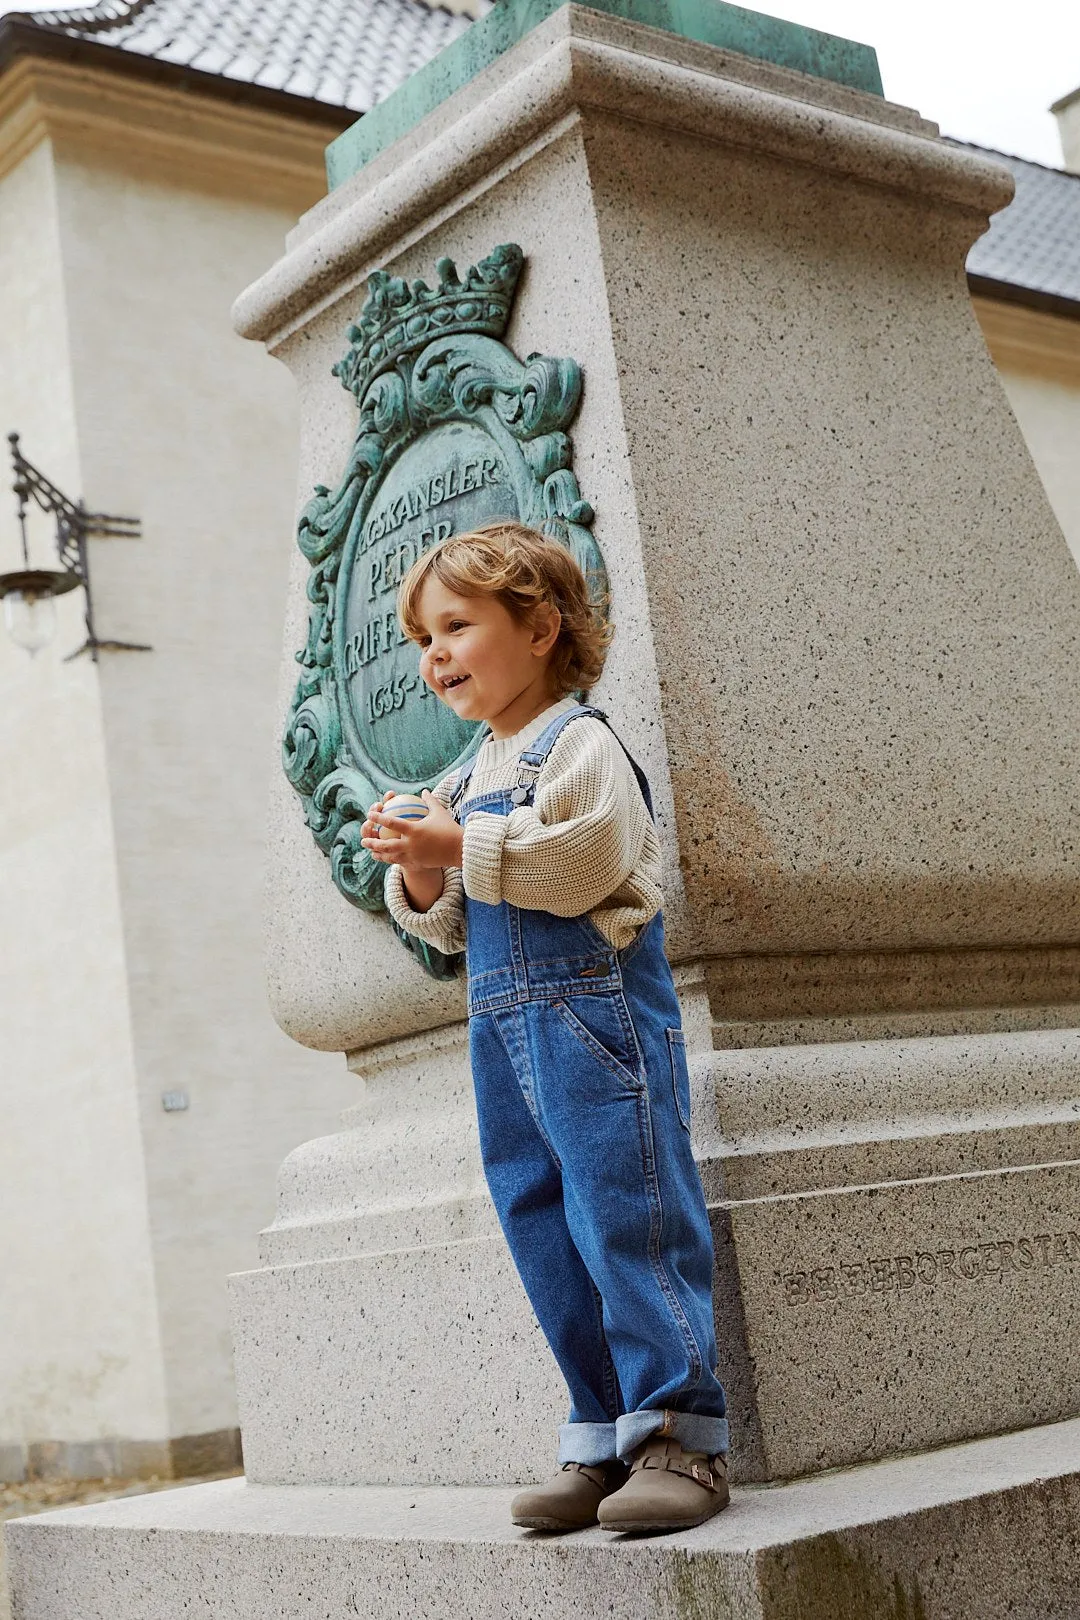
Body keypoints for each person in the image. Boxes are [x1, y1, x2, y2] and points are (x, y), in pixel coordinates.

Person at [360, 522, 729, 1534]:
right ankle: (601, 1435)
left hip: (594, 1023)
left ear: (540, 629)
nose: (433, 655)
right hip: (505, 1038)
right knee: (543, 1221)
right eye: (421, 638)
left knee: (630, 1210)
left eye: (455, 627)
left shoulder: (581, 743)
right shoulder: (471, 772)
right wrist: (423, 869)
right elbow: (443, 929)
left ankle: (681, 1441)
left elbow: (578, 864)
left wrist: (457, 841)